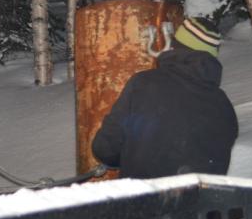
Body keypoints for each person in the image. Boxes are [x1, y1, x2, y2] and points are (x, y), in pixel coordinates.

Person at [91, 16, 238, 179]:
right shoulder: (224, 106)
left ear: (176, 46)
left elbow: (106, 148)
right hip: (203, 202)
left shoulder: (144, 84)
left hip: (147, 200)